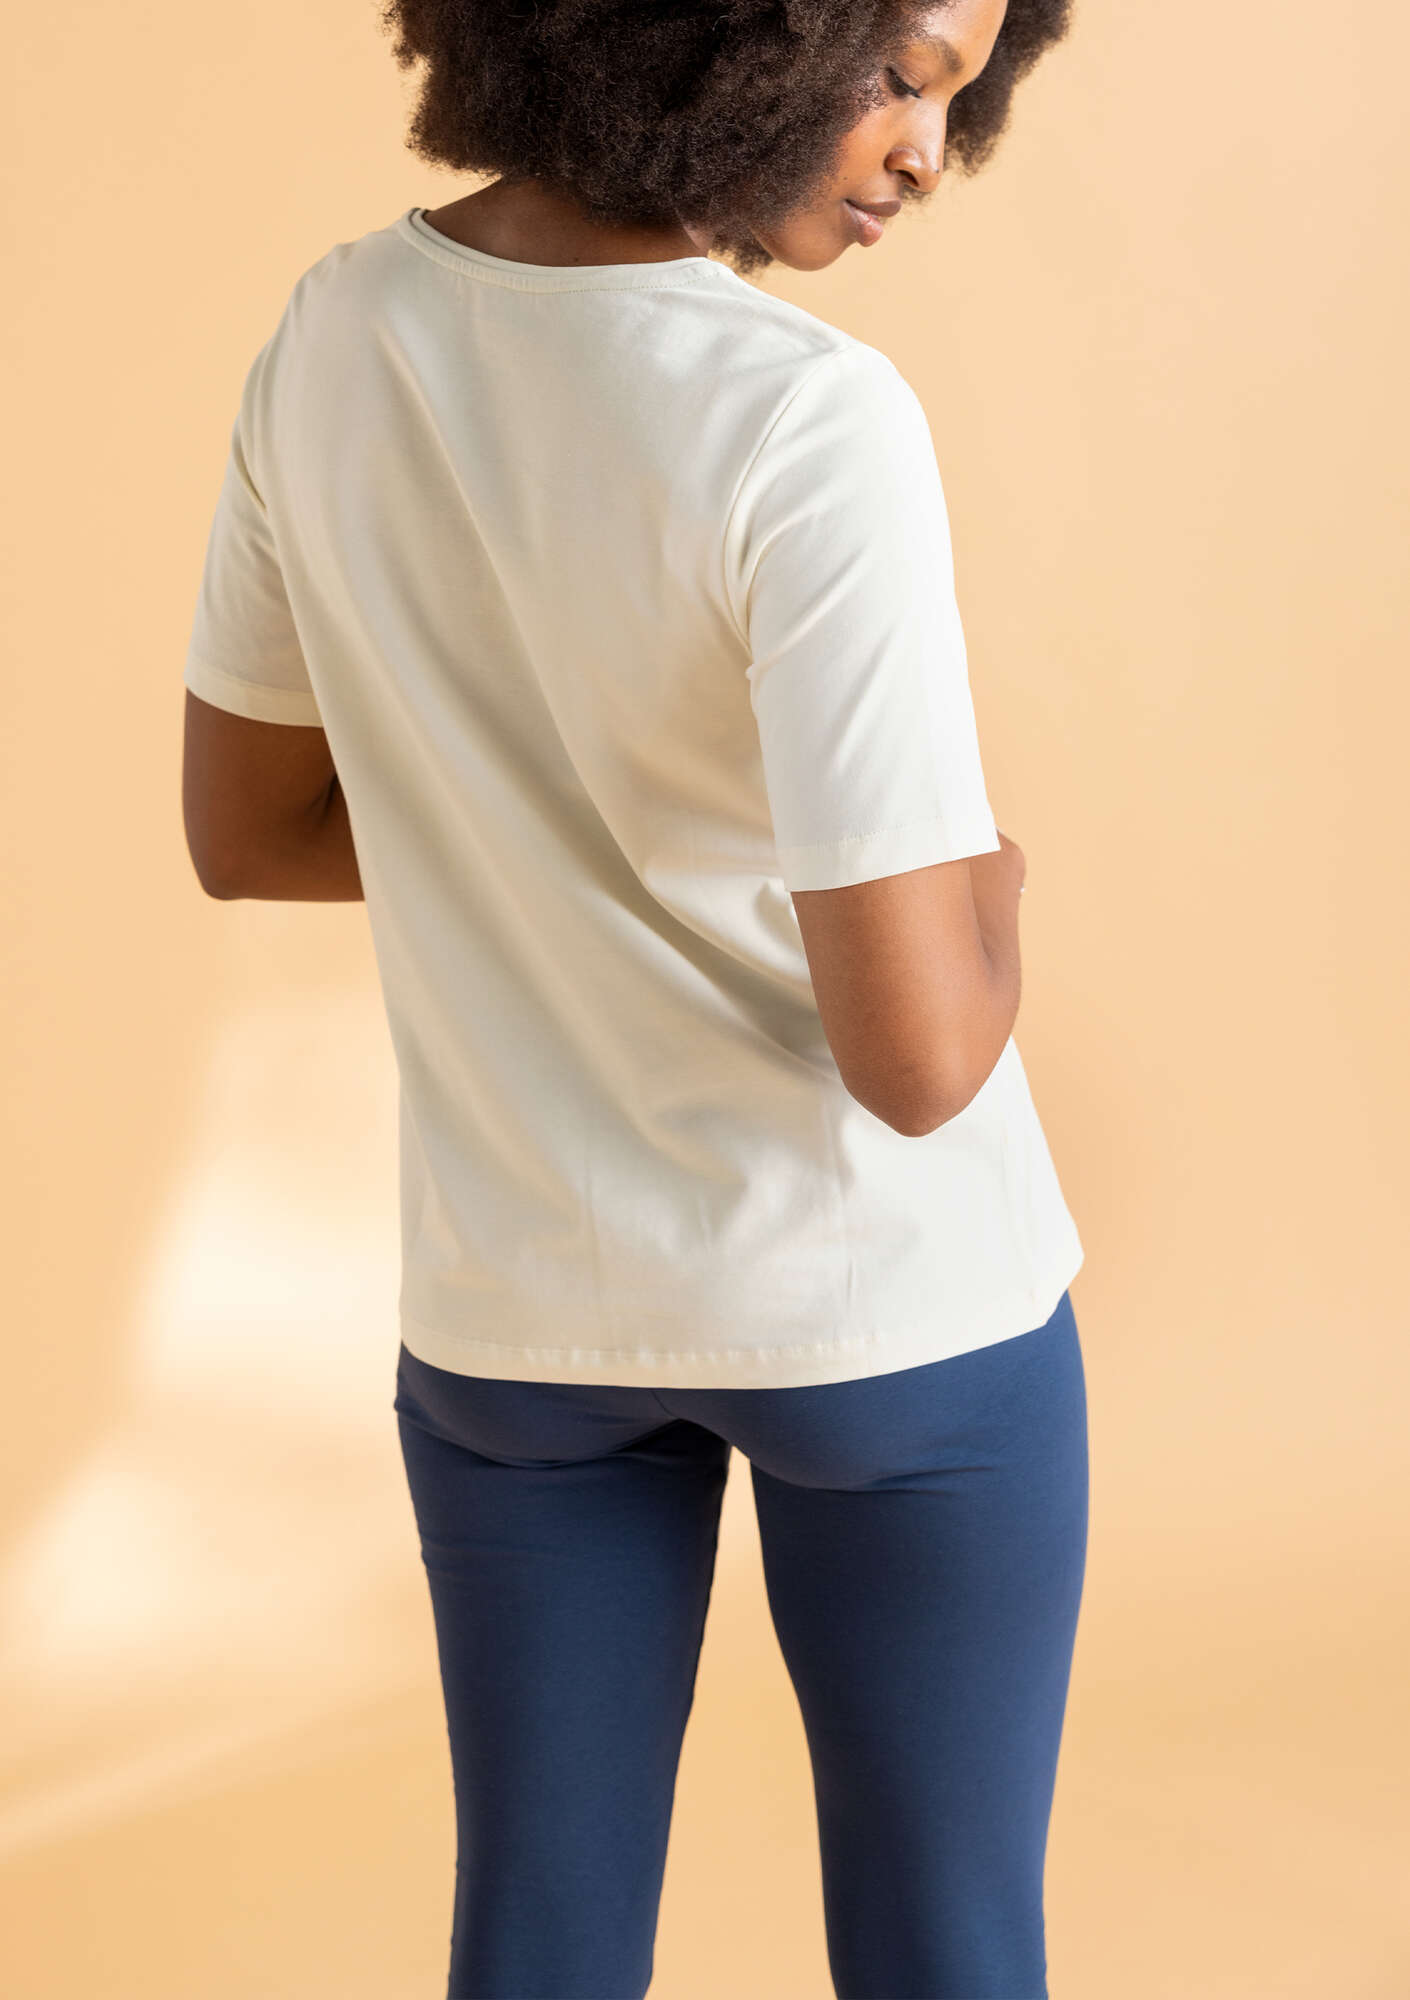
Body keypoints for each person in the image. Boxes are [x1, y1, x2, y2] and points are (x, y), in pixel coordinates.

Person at [179, 0, 1088, 1993]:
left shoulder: (336, 332)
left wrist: (523, 835)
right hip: (884, 1313)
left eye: (960, 97)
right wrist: (995, 885)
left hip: (519, 1315)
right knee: (947, 1954)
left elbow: (250, 830)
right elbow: (920, 1058)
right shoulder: (807, 414)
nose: (928, 151)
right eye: (903, 73)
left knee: (538, 1947)